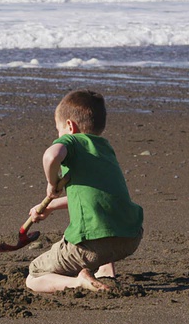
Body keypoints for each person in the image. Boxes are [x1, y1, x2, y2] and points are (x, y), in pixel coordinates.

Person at [25, 90, 143, 293]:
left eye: (58, 130)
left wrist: (51, 183)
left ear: (70, 126)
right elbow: (96, 198)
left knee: (34, 275)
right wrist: (51, 205)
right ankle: (106, 272)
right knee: (104, 223)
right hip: (130, 238)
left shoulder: (71, 141)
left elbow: (51, 156)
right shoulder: (105, 148)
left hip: (92, 245)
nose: (58, 135)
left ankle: (78, 282)